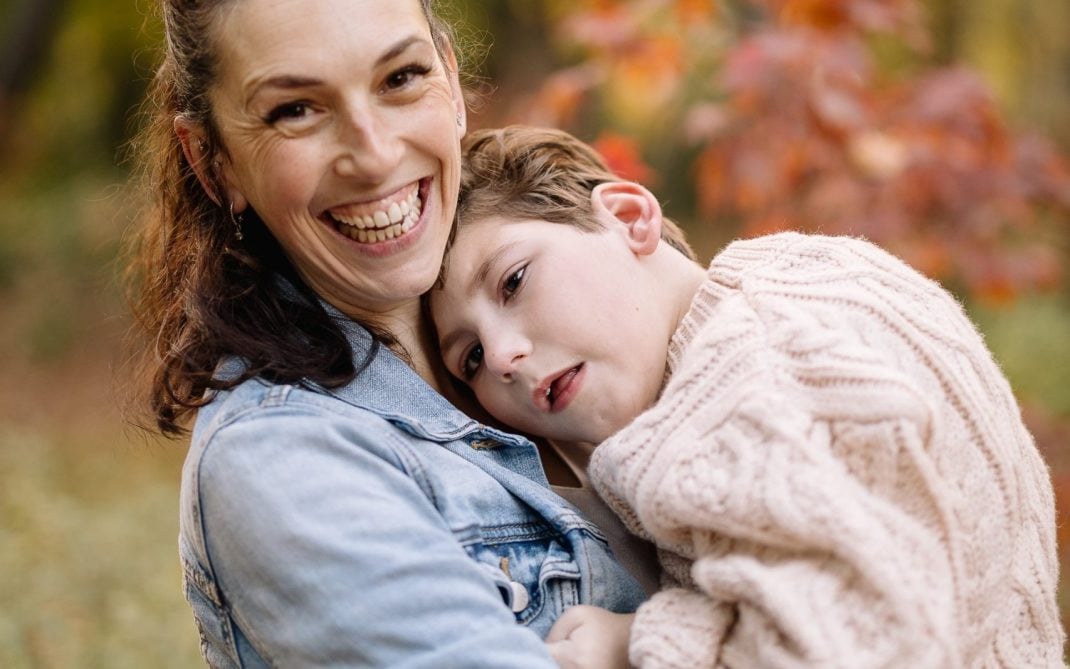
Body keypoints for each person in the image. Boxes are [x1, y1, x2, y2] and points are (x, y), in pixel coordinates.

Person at [125, 3, 655, 667]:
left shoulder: (548, 293)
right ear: (213, 163)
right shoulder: (281, 457)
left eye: (400, 77)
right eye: (296, 110)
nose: (374, 155)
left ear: (452, 83)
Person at [429, 125, 1067, 668]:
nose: (504, 356)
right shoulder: (807, 277)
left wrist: (637, 643)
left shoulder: (733, 388)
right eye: (472, 357)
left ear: (628, 217)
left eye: (513, 281)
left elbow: (858, 648)